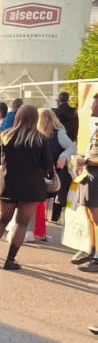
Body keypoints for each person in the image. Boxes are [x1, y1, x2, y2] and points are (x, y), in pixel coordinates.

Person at [0, 105, 54, 270]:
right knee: (21, 224)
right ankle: (10, 260)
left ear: (18, 117)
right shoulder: (40, 139)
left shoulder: (5, 136)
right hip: (31, 187)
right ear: (35, 119)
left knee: (3, 219)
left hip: (8, 184)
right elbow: (47, 165)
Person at [71, 89, 98, 271]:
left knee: (97, 217)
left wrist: (86, 160)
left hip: (95, 174)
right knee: (90, 215)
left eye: (94, 105)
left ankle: (96, 258)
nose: (90, 109)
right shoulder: (96, 128)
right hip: (89, 175)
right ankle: (92, 249)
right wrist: (81, 159)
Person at [37, 108, 76, 224]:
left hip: (55, 170)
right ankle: (43, 222)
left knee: (56, 195)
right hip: (42, 170)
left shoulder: (58, 132)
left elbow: (72, 147)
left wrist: (63, 156)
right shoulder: (37, 133)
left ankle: (52, 220)